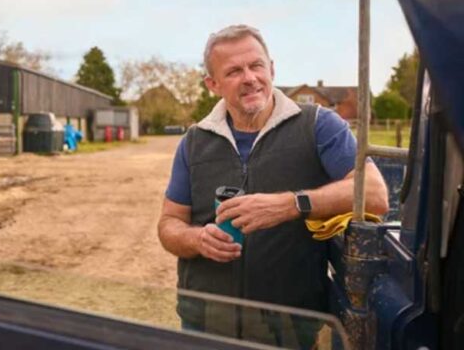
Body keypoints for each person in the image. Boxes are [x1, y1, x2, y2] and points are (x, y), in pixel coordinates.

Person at [157, 24, 389, 344]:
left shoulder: (319, 125)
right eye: (234, 71)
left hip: (291, 324)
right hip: (206, 320)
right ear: (213, 84)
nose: (250, 77)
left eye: (256, 65)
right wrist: (197, 239)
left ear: (272, 68)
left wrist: (292, 205)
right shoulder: (194, 141)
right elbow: (169, 224)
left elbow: (375, 194)